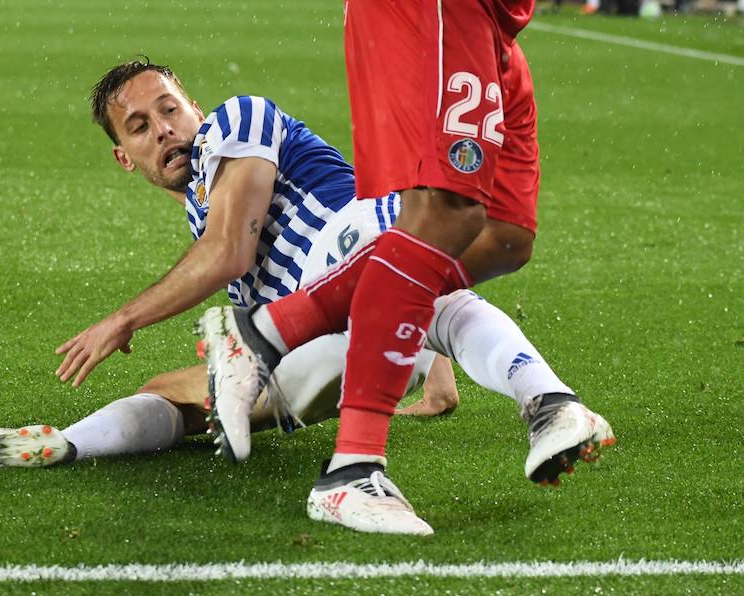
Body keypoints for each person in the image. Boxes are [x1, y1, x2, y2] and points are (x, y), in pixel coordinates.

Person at [0, 61, 612, 506]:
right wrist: (431, 373)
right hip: (336, 329)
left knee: (391, 288)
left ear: (195, 102)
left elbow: (229, 255)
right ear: (127, 158)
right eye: (142, 127)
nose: (166, 131)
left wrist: (122, 318)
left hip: (357, 252)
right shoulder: (199, 204)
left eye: (170, 108)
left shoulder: (236, 123)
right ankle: (60, 443)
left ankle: (544, 403)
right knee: (168, 391)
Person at [201, 1, 614, 535]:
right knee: (444, 211)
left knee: (504, 236)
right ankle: (352, 470)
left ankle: (266, 331)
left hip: (492, 20)